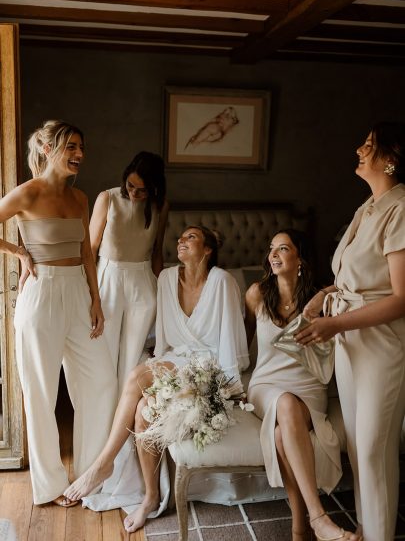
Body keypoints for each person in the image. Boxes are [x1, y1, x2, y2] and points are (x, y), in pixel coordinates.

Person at [64, 225, 249, 531]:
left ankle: (103, 463)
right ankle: (150, 497)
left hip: (209, 365)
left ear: (207, 250)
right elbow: (164, 335)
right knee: (143, 410)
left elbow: (230, 335)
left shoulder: (223, 282)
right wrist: (160, 365)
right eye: (181, 236)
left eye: (191, 237)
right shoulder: (165, 279)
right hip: (177, 358)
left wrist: (230, 387)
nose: (181, 240)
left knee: (138, 376)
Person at [296, 122, 405, 541]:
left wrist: (335, 323)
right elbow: (352, 278)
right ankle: (369, 529)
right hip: (347, 339)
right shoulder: (368, 206)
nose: (359, 149)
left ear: (391, 158)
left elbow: (399, 297)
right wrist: (322, 295)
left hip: (380, 343)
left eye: (370, 145)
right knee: (359, 450)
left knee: (375, 449)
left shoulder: (400, 209)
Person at [0, 120, 117, 507]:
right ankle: (49, 486)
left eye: (81, 147)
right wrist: (18, 251)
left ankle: (89, 475)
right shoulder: (27, 193)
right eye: (71, 147)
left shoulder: (81, 199)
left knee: (100, 381)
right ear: (50, 148)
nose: (79, 154)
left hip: (79, 294)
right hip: (41, 296)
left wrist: (96, 301)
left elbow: (87, 253)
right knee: (40, 393)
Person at [246, 229, 361, 541]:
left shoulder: (321, 300)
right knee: (284, 404)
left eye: (283, 248)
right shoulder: (256, 293)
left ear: (300, 259)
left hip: (309, 389)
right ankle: (319, 518)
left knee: (285, 433)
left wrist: (323, 294)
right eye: (271, 249)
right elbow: (243, 346)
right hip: (267, 386)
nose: (273, 254)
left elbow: (354, 287)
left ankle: (301, 528)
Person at [90, 151, 168, 391]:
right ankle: (101, 422)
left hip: (143, 281)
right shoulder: (108, 198)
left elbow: (157, 251)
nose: (133, 193)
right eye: (130, 185)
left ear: (154, 188)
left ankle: (124, 419)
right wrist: (91, 295)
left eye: (142, 190)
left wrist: (165, 294)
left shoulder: (160, 205)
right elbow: (91, 248)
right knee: (104, 353)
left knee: (133, 355)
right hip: (108, 277)